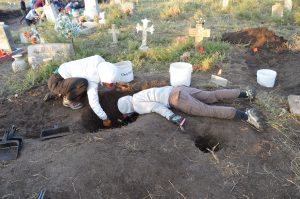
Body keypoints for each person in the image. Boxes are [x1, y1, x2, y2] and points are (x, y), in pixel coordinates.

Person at [117, 86, 264, 130]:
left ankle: (246, 115)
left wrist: (173, 117)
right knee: (211, 95)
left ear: (129, 108)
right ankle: (246, 94)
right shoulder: (137, 96)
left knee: (207, 110)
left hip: (177, 98)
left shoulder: (137, 106)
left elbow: (156, 107)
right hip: (178, 89)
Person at [47, 55, 117, 128]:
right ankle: (67, 100)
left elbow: (113, 72)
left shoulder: (100, 62)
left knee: (82, 85)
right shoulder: (92, 79)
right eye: (109, 83)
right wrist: (105, 118)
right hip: (56, 82)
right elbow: (93, 103)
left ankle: (61, 92)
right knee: (83, 84)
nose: (110, 85)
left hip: (62, 79)